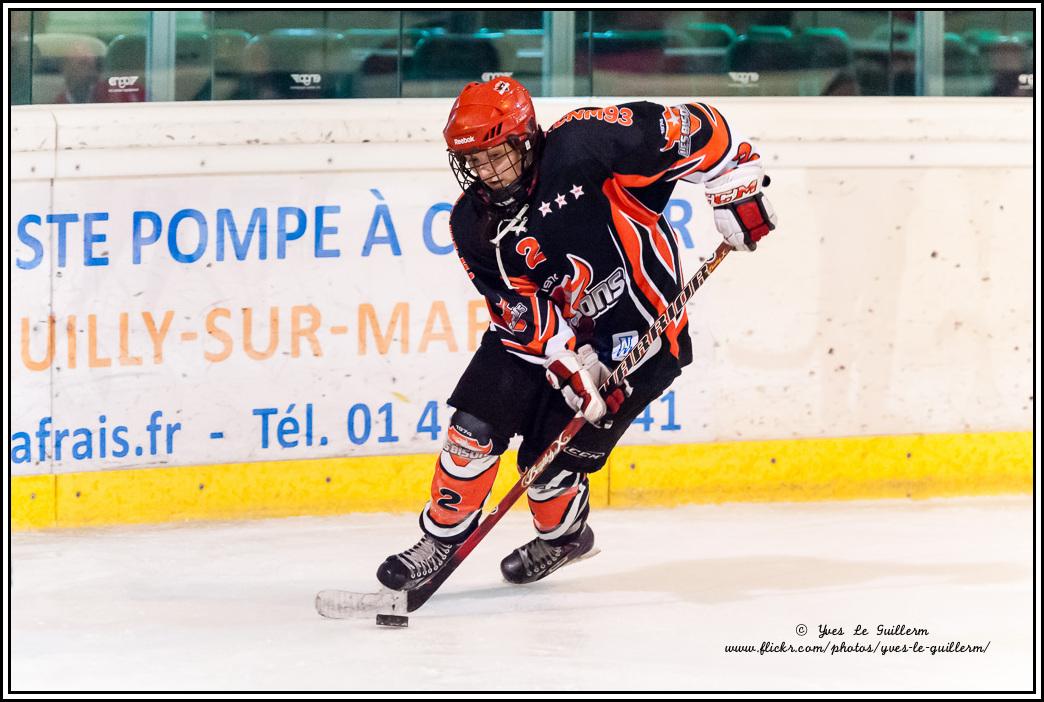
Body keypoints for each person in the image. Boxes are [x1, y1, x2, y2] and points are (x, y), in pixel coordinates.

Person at [377, 76, 777, 590]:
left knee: (546, 469)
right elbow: (518, 310)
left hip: (643, 339)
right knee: (471, 432)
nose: (485, 172)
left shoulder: (588, 145)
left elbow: (695, 128)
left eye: (495, 155)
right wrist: (565, 362)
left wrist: (736, 188)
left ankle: (564, 537)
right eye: (473, 161)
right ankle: (439, 539)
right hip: (541, 341)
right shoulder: (473, 223)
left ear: (525, 139)